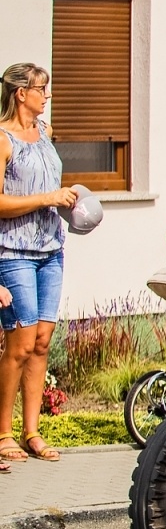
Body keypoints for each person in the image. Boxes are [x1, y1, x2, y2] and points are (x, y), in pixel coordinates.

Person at [0, 64, 79, 466]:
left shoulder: (46, 134)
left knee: (43, 342)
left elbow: (49, 186)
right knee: (20, 344)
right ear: (20, 94)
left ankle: (32, 431)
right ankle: (3, 433)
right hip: (13, 253)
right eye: (41, 90)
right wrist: (48, 197)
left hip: (51, 250)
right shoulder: (2, 139)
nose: (46, 96)